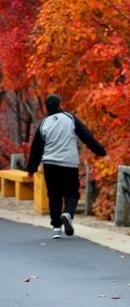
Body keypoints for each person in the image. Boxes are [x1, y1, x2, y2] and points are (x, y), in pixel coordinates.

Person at [26, 94, 107, 239]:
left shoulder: (44, 123)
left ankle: (56, 227)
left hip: (50, 164)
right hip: (68, 164)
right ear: (59, 104)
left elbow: (36, 148)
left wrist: (31, 169)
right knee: (72, 193)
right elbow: (86, 136)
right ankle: (68, 213)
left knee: (54, 195)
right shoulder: (70, 118)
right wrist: (100, 151)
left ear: (46, 107)